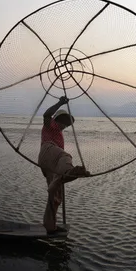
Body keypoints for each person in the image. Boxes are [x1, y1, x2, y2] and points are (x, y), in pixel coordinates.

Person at [39, 96, 89, 234]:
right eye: (63, 121)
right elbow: (46, 114)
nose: (64, 125)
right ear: (57, 120)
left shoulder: (59, 133)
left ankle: (50, 226)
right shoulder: (50, 125)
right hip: (48, 151)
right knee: (65, 156)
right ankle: (70, 172)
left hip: (52, 164)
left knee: (55, 197)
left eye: (67, 124)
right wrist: (60, 103)